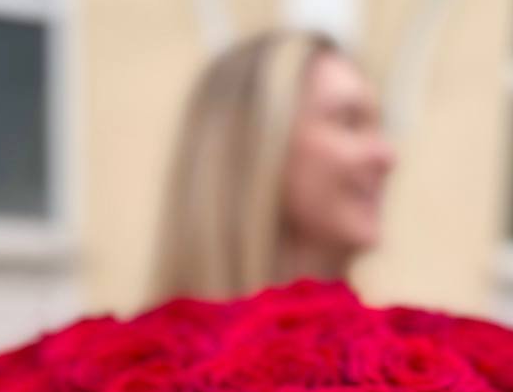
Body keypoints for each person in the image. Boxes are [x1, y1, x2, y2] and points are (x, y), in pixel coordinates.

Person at [146, 28, 397, 304]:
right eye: (349, 122)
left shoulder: (409, 331)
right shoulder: (147, 334)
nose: (387, 156)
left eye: (379, 127)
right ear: (255, 145)